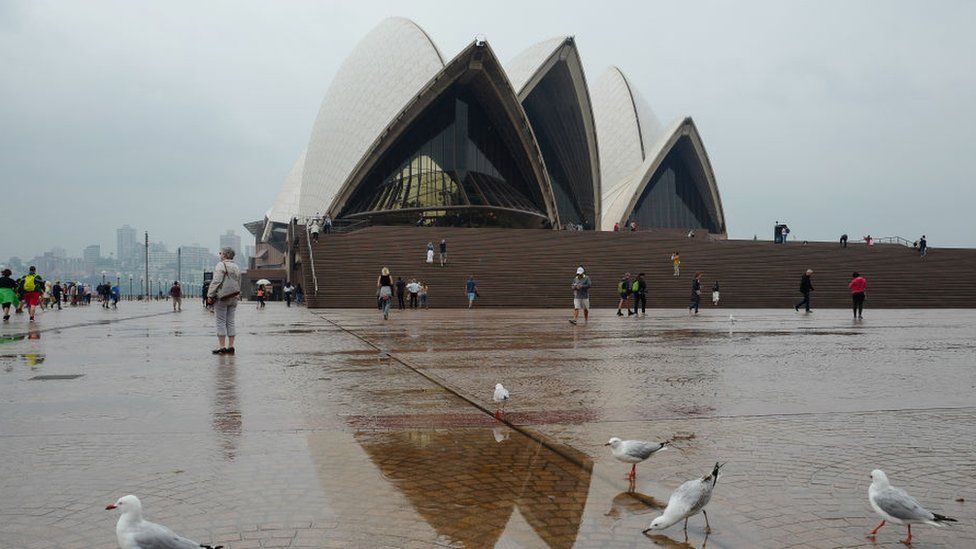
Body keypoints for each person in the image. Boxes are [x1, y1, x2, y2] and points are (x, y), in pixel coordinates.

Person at [207, 247, 242, 354]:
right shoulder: (236, 267)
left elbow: (216, 281)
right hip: (234, 297)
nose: (220, 255)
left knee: (221, 321)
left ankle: (222, 347)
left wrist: (210, 294)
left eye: (221, 253)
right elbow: (238, 282)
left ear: (225, 255)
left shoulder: (221, 265)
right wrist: (237, 294)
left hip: (222, 297)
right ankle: (231, 346)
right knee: (231, 321)